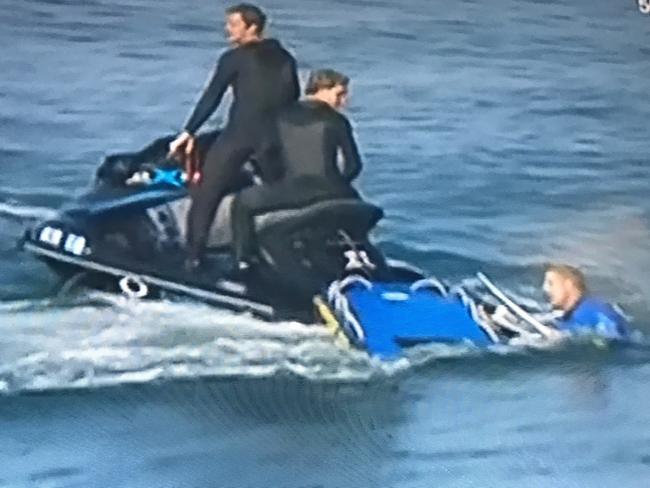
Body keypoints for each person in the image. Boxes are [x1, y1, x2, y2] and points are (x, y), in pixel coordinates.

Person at [168, 3, 299, 269]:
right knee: (282, 194)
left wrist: (189, 131)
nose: (227, 29)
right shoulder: (285, 57)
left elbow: (212, 97)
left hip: (241, 134)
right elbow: (292, 98)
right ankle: (290, 246)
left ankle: (194, 257)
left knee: (206, 195)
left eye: (233, 24)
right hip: (275, 138)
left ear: (252, 27)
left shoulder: (235, 58)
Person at [230, 68, 364, 269]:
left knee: (242, 203)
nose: (343, 101)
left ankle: (245, 260)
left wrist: (275, 182)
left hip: (294, 190)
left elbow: (265, 155)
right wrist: (337, 185)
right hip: (333, 190)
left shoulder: (281, 115)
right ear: (322, 89)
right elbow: (354, 165)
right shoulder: (337, 121)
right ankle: (358, 255)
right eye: (340, 94)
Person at [541, 263, 630, 339]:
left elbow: (614, 339)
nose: (545, 289)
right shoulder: (570, 313)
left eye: (551, 283)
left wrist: (565, 338)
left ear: (568, 285)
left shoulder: (596, 310)